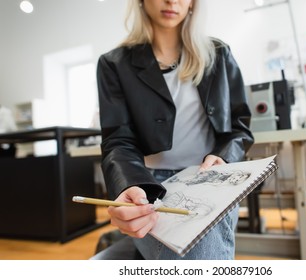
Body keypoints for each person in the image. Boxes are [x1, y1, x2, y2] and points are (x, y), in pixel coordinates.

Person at [97, 0, 254, 260]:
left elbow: (239, 128)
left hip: (209, 178)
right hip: (150, 183)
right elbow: (118, 141)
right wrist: (128, 186)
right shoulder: (114, 64)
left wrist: (224, 158)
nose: (172, 1)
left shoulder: (219, 53)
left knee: (202, 238)